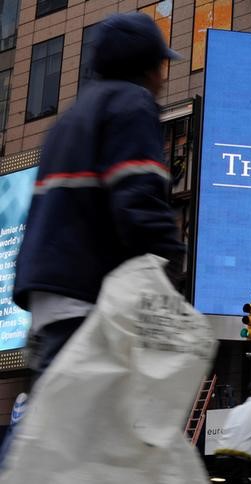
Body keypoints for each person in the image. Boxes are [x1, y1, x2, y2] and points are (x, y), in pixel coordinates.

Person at [13, 12, 185, 381]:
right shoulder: (131, 104)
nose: (164, 77)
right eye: (160, 65)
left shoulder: (70, 119)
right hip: (87, 295)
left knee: (59, 421)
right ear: (146, 67)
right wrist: (171, 262)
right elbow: (138, 197)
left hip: (48, 297)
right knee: (82, 427)